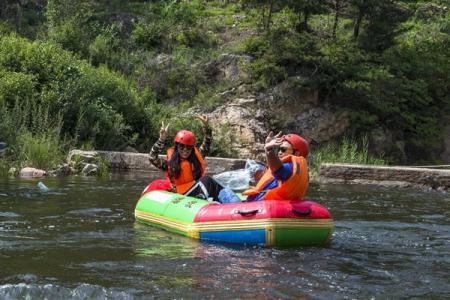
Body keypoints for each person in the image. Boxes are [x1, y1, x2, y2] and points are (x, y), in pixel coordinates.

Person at [149, 115, 212, 195]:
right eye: (181, 147)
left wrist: (206, 127)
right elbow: (152, 157)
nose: (185, 150)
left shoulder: (196, 158)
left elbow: (207, 143)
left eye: (188, 147)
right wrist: (161, 140)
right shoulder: (168, 164)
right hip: (179, 196)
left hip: (196, 193)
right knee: (207, 179)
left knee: (208, 180)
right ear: (177, 147)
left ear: (192, 148)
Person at [242, 131, 309, 201]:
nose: (279, 152)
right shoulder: (297, 169)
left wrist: (269, 149)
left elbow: (278, 170)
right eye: (279, 149)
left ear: (296, 153)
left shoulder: (291, 167)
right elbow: (277, 178)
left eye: (283, 149)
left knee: (228, 190)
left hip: (260, 207)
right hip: (265, 205)